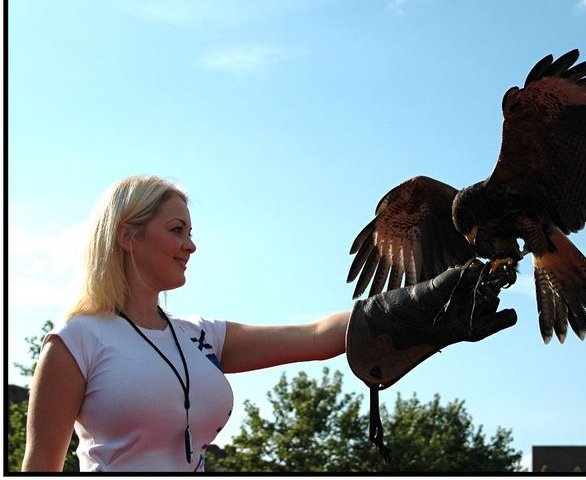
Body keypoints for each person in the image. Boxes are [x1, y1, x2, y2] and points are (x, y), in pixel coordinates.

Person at [21, 175, 515, 472]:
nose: (191, 245)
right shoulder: (76, 342)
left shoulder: (200, 335)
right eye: (177, 231)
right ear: (127, 236)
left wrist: (420, 304)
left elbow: (317, 337)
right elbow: (40, 471)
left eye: (191, 232)